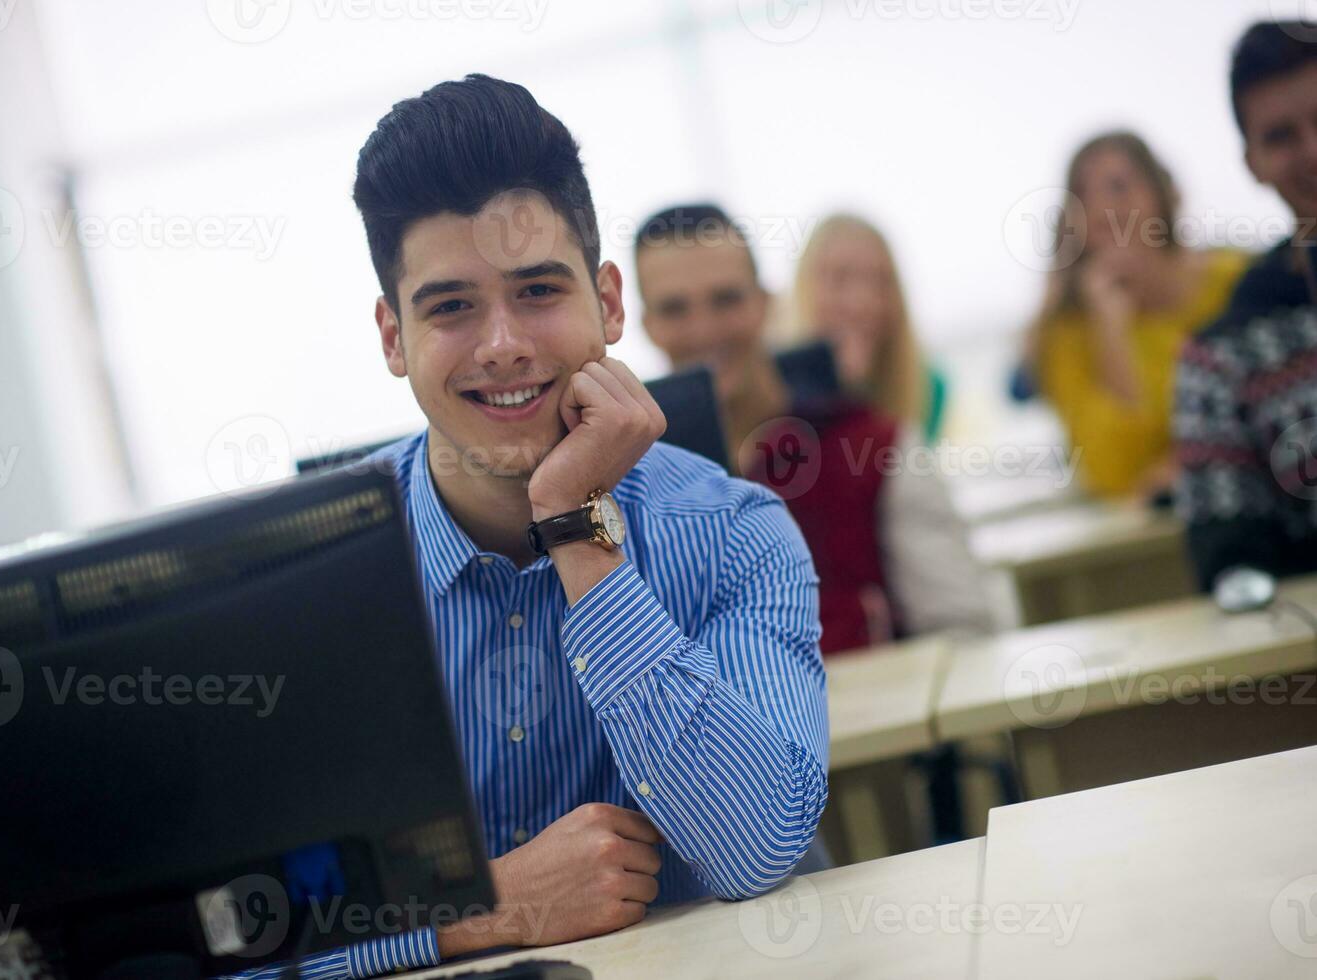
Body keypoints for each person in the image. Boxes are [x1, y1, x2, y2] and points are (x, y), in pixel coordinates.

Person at [233, 77, 830, 979]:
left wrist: (576, 527)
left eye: (537, 290)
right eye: (450, 307)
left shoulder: (737, 533)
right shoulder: (297, 582)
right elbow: (231, 938)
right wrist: (483, 910)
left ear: (609, 303)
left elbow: (755, 849)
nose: (502, 343)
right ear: (393, 337)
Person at [634, 204, 992, 655]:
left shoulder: (878, 447)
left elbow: (966, 631)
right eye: (674, 309)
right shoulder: (631, 487)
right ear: (646, 325)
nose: (704, 329)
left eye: (725, 299)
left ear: (766, 304)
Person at [1023, 132, 1247, 499]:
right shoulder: (1067, 333)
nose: (1101, 208)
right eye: (1082, 195)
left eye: (1119, 186)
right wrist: (1110, 330)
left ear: (1162, 195)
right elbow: (1117, 474)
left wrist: (1188, 460)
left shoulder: (1237, 283)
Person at [1175, 22, 1317, 588]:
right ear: (1252, 162)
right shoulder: (1222, 354)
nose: (1313, 151)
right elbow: (1230, 562)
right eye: (1282, 135)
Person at [787, 214, 951, 442]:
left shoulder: (929, 387)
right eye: (839, 279)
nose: (861, 303)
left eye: (879, 282)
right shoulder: (772, 387)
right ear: (805, 289)